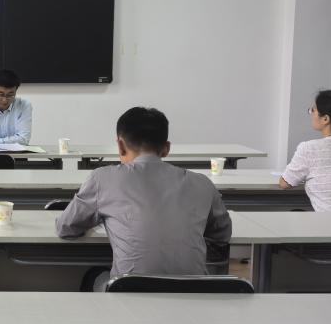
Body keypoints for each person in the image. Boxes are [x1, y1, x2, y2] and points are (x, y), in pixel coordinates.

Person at [56, 107, 232, 279]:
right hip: (194, 291)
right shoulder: (202, 183)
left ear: (120, 146)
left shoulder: (102, 178)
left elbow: (66, 228)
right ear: (166, 148)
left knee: (94, 275)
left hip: (130, 291)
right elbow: (222, 234)